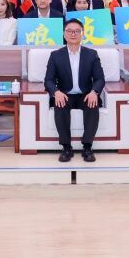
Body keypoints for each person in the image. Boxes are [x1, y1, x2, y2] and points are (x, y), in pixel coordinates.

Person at [44, 19, 106, 163]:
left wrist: (94, 92)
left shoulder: (92, 54)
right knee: (60, 105)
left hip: (86, 93)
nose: (73, 34)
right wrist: (56, 92)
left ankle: (87, 147)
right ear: (64, 34)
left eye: (77, 31)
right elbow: (48, 80)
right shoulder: (55, 55)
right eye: (70, 31)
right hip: (64, 94)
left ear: (82, 34)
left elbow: (100, 79)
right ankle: (66, 147)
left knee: (92, 104)